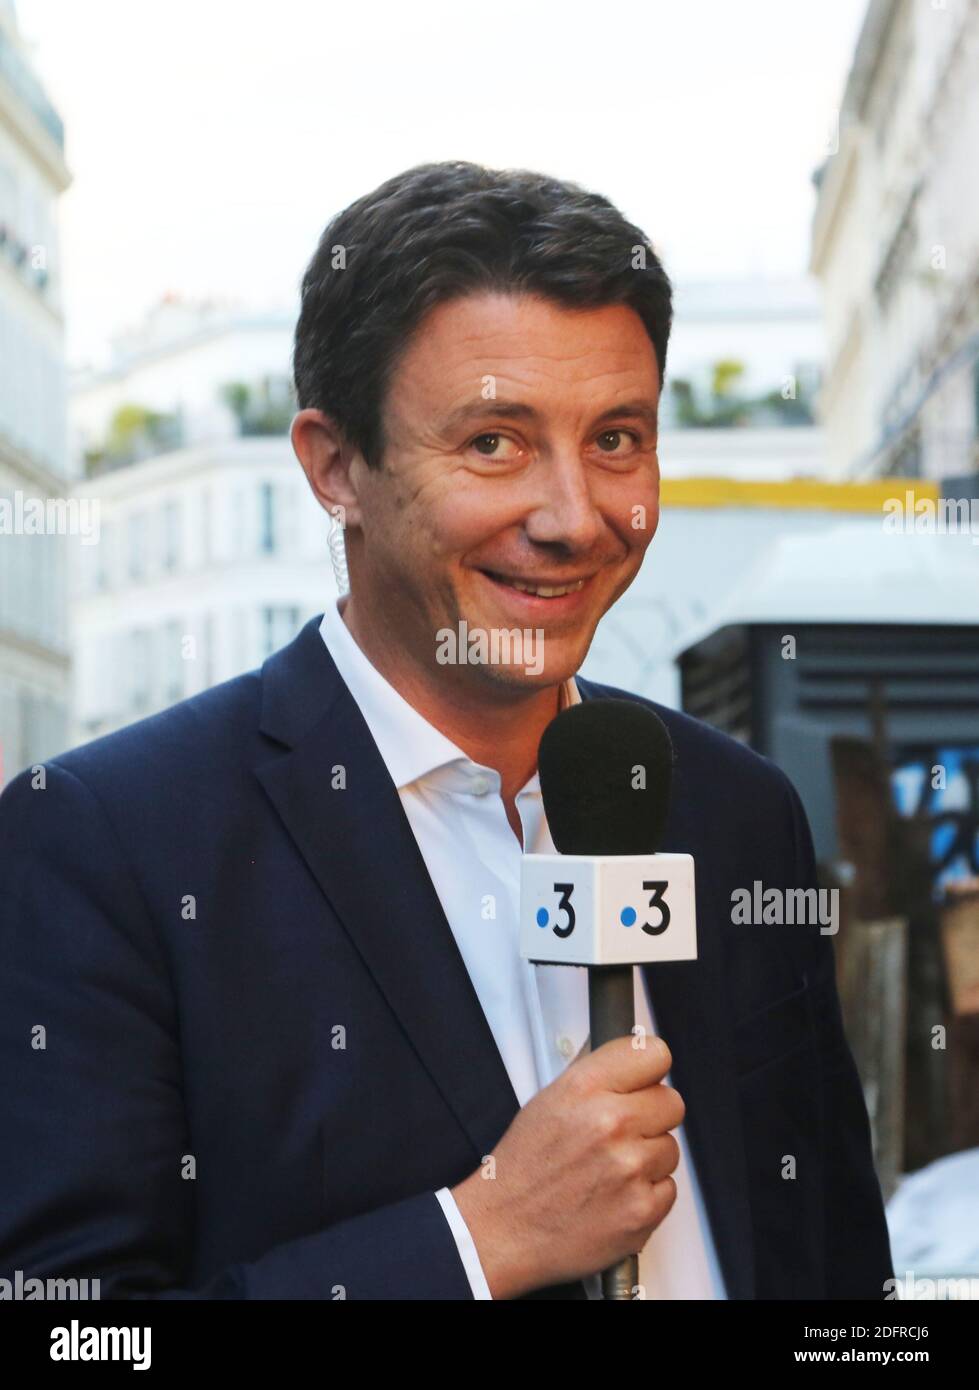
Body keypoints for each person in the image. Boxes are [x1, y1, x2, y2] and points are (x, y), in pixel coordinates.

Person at [0, 161, 893, 1299]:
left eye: (616, 438)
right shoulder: (110, 844)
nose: (574, 518)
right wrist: (477, 1240)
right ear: (336, 467)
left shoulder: (736, 811)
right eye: (493, 444)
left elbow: (833, 1264)